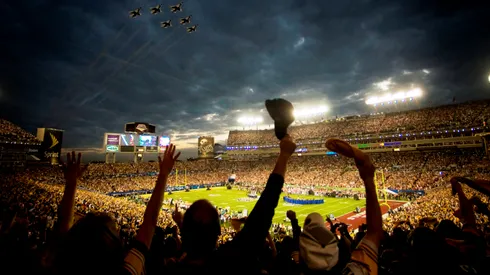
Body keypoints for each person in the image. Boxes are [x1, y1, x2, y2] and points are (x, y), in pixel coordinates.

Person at [170, 134, 297, 274]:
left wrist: (181, 225)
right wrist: (284, 156)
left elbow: (191, 244)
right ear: (218, 231)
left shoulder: (172, 266)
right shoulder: (228, 261)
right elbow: (263, 211)